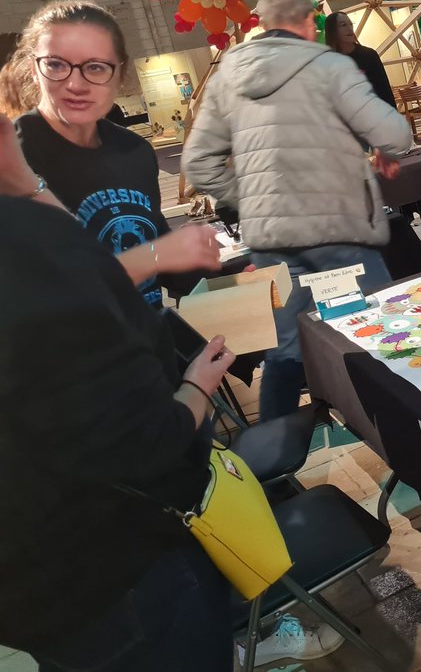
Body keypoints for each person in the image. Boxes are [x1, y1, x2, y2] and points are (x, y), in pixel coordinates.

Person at [0, 112, 238, 671]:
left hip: (38, 575)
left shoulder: (122, 156)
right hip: (105, 564)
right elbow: (145, 438)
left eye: (97, 70)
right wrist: (197, 387)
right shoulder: (27, 240)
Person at [184, 0, 414, 421]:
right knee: (380, 332)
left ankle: (274, 452)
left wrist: (256, 200)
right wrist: (381, 146)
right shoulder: (329, 66)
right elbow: (395, 134)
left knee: (286, 350)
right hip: (341, 232)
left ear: (264, 23)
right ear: (309, 22)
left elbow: (198, 163)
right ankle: (405, 432)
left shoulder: (229, 74)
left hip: (274, 241)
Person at [1, 0, 222, 307]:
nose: (76, 83)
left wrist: (218, 280)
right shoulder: (13, 155)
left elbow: (154, 242)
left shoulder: (134, 151)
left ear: (119, 75)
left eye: (95, 67)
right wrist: (156, 255)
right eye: (56, 65)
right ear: (33, 69)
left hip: (147, 332)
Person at [324, 11, 398, 108]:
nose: (349, 28)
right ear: (332, 31)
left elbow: (385, 90)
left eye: (350, 24)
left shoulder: (369, 55)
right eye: (343, 25)